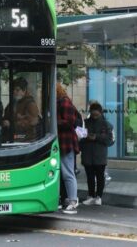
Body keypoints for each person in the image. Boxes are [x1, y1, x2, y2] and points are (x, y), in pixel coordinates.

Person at [81, 102, 113, 206]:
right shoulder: (85, 123)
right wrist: (86, 137)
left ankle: (99, 196)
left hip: (100, 156)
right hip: (87, 155)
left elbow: (110, 140)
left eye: (97, 115)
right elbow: (79, 137)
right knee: (90, 177)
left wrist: (96, 137)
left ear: (100, 112)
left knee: (100, 177)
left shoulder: (106, 124)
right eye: (93, 114)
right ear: (90, 112)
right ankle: (91, 196)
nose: (94, 116)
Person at [56, 84, 80, 214]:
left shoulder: (64, 102)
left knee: (68, 173)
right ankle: (68, 200)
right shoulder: (61, 102)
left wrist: (54, 122)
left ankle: (72, 201)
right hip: (63, 142)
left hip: (65, 141)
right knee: (65, 172)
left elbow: (69, 122)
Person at [1, 77, 40, 143]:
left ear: (24, 90)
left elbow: (32, 122)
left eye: (17, 90)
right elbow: (6, 115)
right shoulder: (13, 102)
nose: (14, 92)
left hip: (26, 138)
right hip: (15, 136)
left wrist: (12, 124)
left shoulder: (30, 103)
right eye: (13, 89)